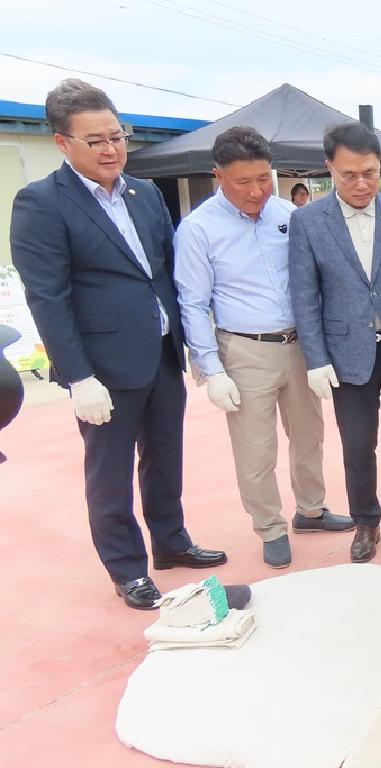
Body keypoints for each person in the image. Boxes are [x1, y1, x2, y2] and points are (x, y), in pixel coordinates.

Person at [9, 79, 225, 609]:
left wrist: (193, 346)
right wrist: (78, 376)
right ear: (63, 143)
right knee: (109, 475)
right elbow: (48, 296)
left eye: (117, 136)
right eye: (95, 141)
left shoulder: (144, 192)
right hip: (102, 369)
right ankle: (126, 568)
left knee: (165, 458)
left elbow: (162, 272)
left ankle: (171, 542)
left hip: (159, 353)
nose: (111, 150)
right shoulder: (41, 203)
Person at [174, 126, 351, 570]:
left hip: (301, 347)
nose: (255, 191)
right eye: (242, 182)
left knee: (309, 436)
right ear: (218, 177)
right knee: (256, 450)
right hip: (244, 351)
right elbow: (193, 304)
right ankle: (269, 526)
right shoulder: (198, 229)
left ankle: (311, 510)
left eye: (262, 179)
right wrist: (211, 370)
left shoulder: (289, 215)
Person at [289, 122, 381, 564]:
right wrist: (315, 359)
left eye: (370, 173)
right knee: (358, 446)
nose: (361, 184)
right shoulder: (308, 222)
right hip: (345, 356)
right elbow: (305, 294)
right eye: (349, 175)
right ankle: (366, 522)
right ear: (329, 169)